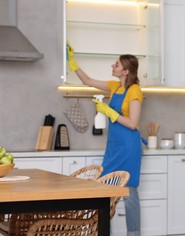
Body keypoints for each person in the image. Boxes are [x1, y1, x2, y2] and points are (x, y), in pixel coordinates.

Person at [67, 42, 143, 236]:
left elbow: (133, 123)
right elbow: (88, 81)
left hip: (128, 147)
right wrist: (72, 63)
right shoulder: (115, 87)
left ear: (126, 71)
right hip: (114, 147)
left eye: (116, 64)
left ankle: (133, 233)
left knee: (129, 192)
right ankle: (103, 231)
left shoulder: (134, 90)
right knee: (105, 191)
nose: (112, 66)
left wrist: (109, 111)